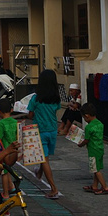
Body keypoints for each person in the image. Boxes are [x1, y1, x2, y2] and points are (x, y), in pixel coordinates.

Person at [27, 69, 61, 199]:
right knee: (45, 157)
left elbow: (30, 114)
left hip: (40, 131)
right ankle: (39, 172)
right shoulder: (56, 99)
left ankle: (53, 188)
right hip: (52, 131)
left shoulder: (36, 98)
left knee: (45, 159)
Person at [78, 103, 108, 195]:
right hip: (100, 149)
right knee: (97, 168)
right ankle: (94, 186)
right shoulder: (100, 124)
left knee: (95, 170)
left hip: (93, 150)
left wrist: (80, 144)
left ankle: (105, 187)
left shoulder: (89, 127)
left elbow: (86, 140)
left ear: (87, 116)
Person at [0, 98, 18, 198]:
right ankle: (11, 186)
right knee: (8, 169)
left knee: (3, 172)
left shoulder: (1, 123)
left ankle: (6, 193)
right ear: (11, 109)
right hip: (13, 150)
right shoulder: (15, 121)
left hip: (5, 151)